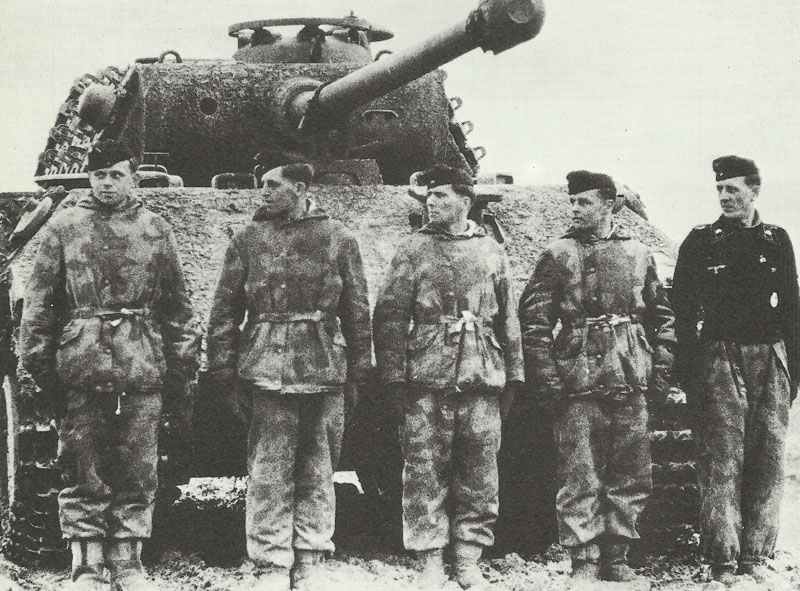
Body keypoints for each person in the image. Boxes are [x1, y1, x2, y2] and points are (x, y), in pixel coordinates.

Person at [19, 139, 200, 591]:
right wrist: (44, 370)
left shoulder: (156, 229)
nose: (105, 183)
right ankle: (86, 563)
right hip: (81, 363)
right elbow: (39, 309)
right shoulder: (64, 228)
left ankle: (128, 560)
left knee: (139, 468)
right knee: (83, 467)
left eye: (115, 175)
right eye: (98, 175)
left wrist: (180, 366)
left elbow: (178, 307)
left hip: (141, 362)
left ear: (132, 178)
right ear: (89, 178)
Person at [206, 162, 371, 591]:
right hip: (266, 368)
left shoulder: (338, 237)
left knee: (319, 471)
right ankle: (271, 564)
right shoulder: (248, 239)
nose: (263, 193)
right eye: (262, 185)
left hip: (324, 367)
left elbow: (357, 311)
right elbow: (225, 310)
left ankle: (312, 557)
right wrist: (223, 368)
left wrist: (359, 371)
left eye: (272, 186)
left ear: (300, 188)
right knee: (269, 471)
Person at [519, 170, 675, 588]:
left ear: (608, 204)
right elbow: (534, 323)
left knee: (631, 473)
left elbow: (662, 317)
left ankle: (618, 556)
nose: (575, 209)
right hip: (577, 378)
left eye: (584, 202)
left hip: (629, 374)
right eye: (573, 202)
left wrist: (659, 369)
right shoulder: (558, 254)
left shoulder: (638, 253)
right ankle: (584, 561)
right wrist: (548, 379)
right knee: (580, 475)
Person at [373, 165, 524, 590]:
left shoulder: (492, 250)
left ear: (465, 199)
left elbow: (508, 318)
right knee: (424, 470)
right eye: (428, 197)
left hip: (481, 374)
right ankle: (430, 558)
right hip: (427, 376)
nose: (432, 203)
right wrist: (394, 378)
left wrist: (513, 376)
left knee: (479, 472)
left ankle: (469, 556)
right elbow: (388, 316)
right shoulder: (413, 249)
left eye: (440, 195)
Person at [671, 155, 798, 587]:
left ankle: (754, 558)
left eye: (733, 190)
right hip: (720, 359)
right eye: (720, 190)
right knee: (722, 458)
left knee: (767, 457)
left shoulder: (777, 239)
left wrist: (791, 374)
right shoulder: (701, 241)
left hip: (770, 357)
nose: (725, 197)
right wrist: (690, 374)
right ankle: (722, 561)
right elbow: (683, 313)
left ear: (754, 191)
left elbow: (793, 309)